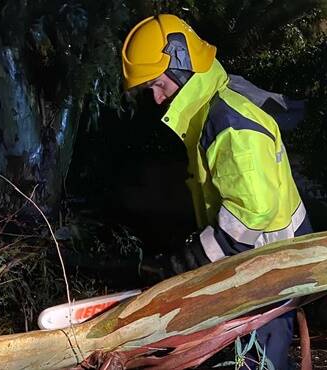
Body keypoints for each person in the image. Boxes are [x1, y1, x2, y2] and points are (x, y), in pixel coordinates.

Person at [121, 14, 312, 369]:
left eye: (159, 85)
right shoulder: (210, 109)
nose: (159, 99)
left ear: (182, 65)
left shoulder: (227, 122)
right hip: (256, 263)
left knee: (256, 362)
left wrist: (190, 261)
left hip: (269, 269)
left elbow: (250, 214)